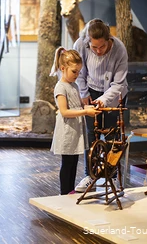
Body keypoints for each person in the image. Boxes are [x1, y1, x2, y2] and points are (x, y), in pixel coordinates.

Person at [72, 18, 129, 193]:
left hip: (114, 94)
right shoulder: (81, 44)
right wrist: (84, 93)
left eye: (101, 47)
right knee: (92, 135)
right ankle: (91, 176)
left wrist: (104, 100)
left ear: (108, 40)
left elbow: (119, 83)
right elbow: (79, 71)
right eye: (94, 47)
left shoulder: (119, 49)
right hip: (90, 91)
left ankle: (110, 177)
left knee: (112, 135)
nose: (97, 51)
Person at [49, 47, 101, 195]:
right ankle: (64, 192)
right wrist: (85, 111)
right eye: (74, 71)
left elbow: (78, 105)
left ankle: (70, 190)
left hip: (75, 130)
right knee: (67, 163)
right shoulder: (60, 87)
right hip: (67, 131)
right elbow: (64, 111)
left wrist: (89, 107)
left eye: (79, 72)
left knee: (73, 162)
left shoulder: (75, 86)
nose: (77, 75)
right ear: (63, 68)